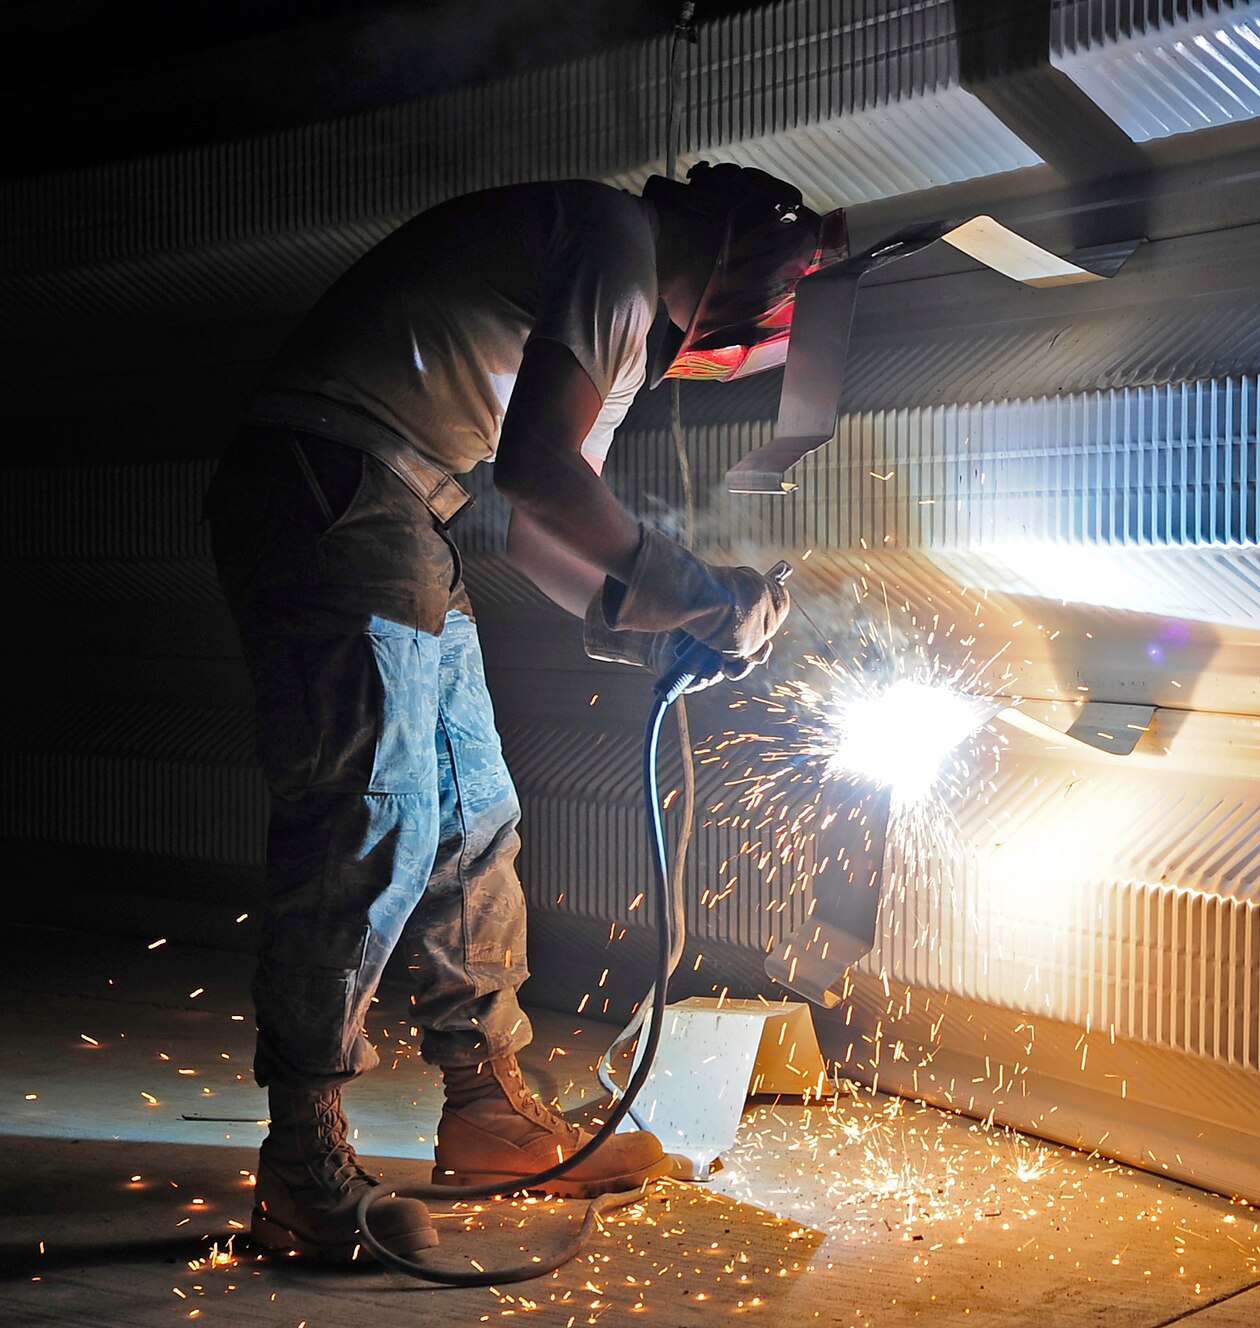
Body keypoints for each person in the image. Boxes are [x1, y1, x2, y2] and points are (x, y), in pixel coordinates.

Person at [202, 161, 829, 1262]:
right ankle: (302, 1155)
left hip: (403, 501)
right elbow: (540, 472)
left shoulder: (620, 310)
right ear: (738, 264)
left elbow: (544, 527)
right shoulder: (615, 246)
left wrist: (662, 613)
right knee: (376, 816)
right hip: (332, 477)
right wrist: (691, 585)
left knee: (474, 807)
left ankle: (486, 1108)